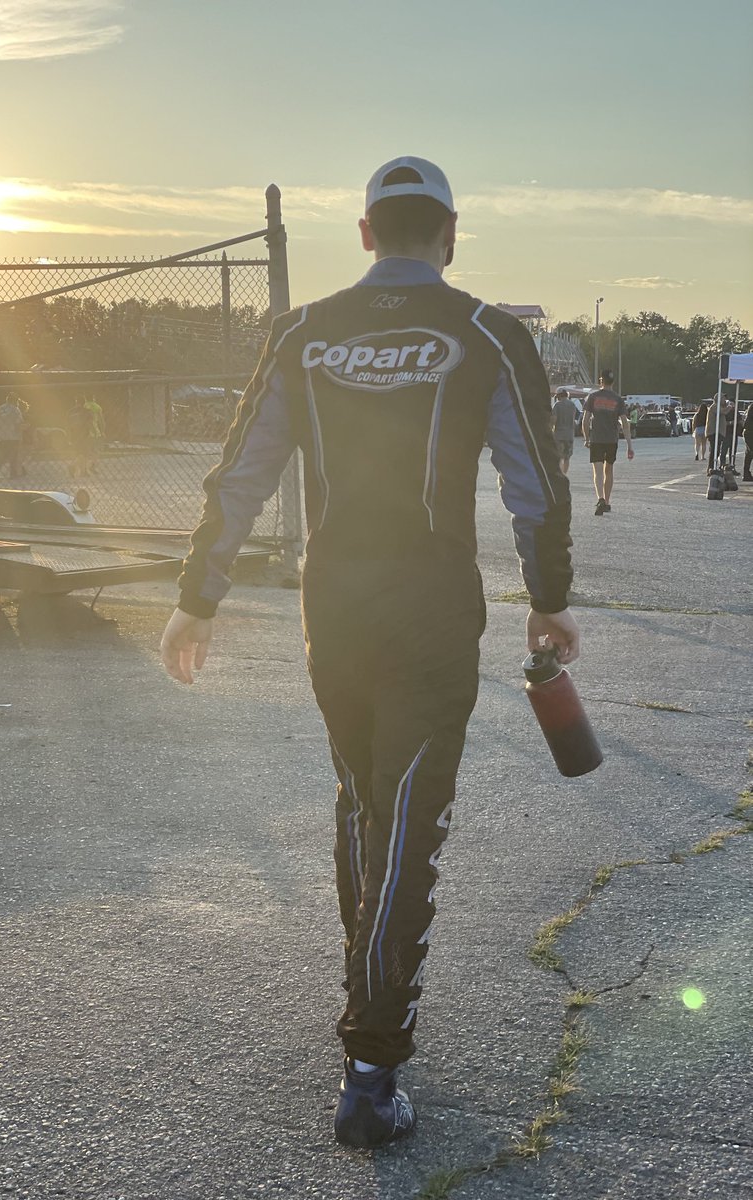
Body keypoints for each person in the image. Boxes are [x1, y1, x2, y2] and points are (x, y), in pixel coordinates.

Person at [159, 156, 578, 1149]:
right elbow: (537, 481)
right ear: (450, 232)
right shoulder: (486, 331)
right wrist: (549, 602)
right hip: (431, 605)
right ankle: (371, 1064)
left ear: (363, 234)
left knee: (364, 802)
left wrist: (197, 600)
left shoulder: (302, 333)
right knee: (404, 821)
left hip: (333, 603)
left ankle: (368, 1013)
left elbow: (241, 473)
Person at [581, 369, 634, 514]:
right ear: (613, 382)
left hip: (596, 439)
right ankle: (607, 501)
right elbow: (624, 423)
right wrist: (629, 445)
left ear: (601, 381)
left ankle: (600, 498)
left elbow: (585, 421)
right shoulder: (617, 399)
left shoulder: (593, 397)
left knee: (597, 471)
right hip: (612, 440)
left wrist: (586, 438)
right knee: (608, 470)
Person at [0, 392, 25, 479]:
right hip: (13, 436)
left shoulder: (0, 408)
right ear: (15, 400)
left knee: (3, 454)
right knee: (14, 455)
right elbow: (18, 423)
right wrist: (22, 430)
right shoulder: (16, 410)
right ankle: (13, 473)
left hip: (2, 435)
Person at [68, 394, 94, 477]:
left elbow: (68, 423)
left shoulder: (71, 411)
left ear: (76, 402)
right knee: (84, 453)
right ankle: (73, 466)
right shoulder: (87, 411)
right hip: (84, 434)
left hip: (74, 435)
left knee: (79, 452)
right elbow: (90, 423)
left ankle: (83, 472)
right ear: (84, 402)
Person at [551, 388, 577, 474]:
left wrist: (550, 429)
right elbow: (573, 420)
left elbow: (554, 420)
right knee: (567, 458)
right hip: (569, 435)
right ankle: (564, 474)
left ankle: (559, 475)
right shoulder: (572, 405)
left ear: (559, 396)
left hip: (559, 435)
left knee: (558, 457)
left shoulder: (557, 405)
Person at [705, 396, 727, 473]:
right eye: (723, 398)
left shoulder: (719, 406)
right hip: (713, 432)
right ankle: (711, 468)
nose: (725, 400)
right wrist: (730, 407)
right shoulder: (715, 406)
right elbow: (723, 412)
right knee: (714, 451)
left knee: (716, 451)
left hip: (717, 432)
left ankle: (713, 466)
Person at [84, 394, 106, 472]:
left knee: (86, 451)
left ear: (85, 398)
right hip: (95, 431)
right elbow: (101, 420)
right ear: (93, 398)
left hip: (85, 432)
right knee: (96, 451)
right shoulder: (97, 407)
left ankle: (85, 468)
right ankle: (93, 466)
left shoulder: (84, 406)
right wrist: (103, 431)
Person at [742, 405, 753, 482]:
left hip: (748, 432)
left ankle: (746, 474)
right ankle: (746, 474)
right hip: (750, 433)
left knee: (748, 455)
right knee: (750, 453)